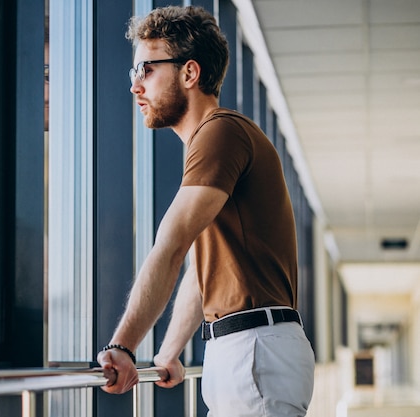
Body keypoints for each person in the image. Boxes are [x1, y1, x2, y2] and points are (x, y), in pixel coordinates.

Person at [96, 5, 315, 416]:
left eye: (145, 69)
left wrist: (122, 346)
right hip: (242, 350)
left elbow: (171, 244)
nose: (135, 87)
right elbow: (202, 272)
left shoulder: (221, 132)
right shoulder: (214, 144)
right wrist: (169, 351)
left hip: (254, 351)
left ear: (189, 73)